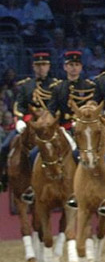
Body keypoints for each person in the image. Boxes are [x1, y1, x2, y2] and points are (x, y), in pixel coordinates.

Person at [21, 51, 92, 204]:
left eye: (76, 65)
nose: (73, 68)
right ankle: (34, 187)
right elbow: (51, 109)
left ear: (81, 67)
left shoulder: (88, 86)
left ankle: (85, 187)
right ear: (65, 67)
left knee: (80, 154)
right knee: (34, 153)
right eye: (70, 65)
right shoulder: (58, 88)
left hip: (82, 130)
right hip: (64, 129)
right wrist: (45, 123)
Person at [0, 51, 60, 192]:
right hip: (30, 124)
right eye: (38, 65)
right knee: (4, 147)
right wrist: (21, 120)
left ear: (49, 66)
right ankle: (3, 179)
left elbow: (59, 106)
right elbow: (19, 105)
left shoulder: (56, 85)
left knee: (73, 147)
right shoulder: (26, 85)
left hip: (50, 125)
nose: (41, 68)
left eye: (44, 65)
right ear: (33, 66)